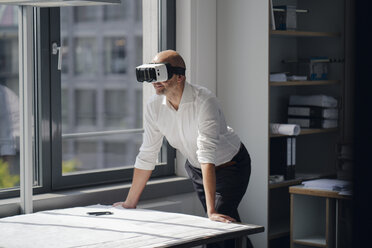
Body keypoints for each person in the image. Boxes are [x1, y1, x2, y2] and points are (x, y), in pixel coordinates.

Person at [113, 50, 253, 248]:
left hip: (230, 165)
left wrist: (211, 211)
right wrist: (130, 203)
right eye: (152, 74)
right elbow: (147, 153)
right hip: (197, 169)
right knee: (227, 224)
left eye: (160, 73)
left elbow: (207, 152)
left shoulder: (204, 100)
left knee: (216, 226)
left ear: (180, 77)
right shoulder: (154, 106)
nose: (155, 81)